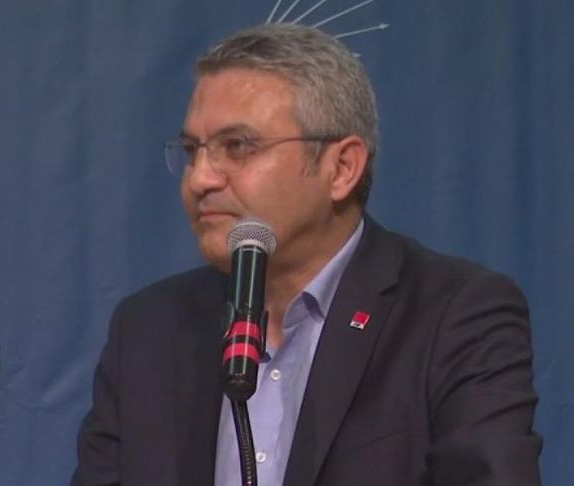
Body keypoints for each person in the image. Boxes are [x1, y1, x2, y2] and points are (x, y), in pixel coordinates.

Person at [71, 23, 541, 486]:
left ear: (342, 168)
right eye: (193, 150)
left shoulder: (454, 315)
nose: (200, 179)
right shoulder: (148, 329)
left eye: (238, 146)